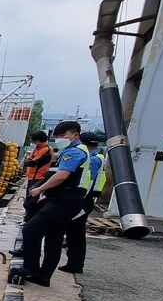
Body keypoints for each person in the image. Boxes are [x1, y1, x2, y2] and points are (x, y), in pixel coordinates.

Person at [19, 121, 87, 287]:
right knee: (53, 238)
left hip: (64, 201)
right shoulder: (81, 150)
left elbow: (62, 176)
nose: (59, 139)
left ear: (75, 135)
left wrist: (40, 189)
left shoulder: (74, 152)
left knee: (30, 230)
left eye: (63, 136)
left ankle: (30, 269)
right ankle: (43, 277)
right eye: (57, 136)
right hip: (69, 199)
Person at [60, 132, 107, 273]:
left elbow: (87, 182)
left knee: (75, 234)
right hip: (87, 200)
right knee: (75, 233)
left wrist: (77, 200)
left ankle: (75, 263)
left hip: (83, 199)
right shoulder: (99, 157)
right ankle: (74, 262)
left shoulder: (92, 160)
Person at [20, 131, 53, 223]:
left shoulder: (46, 150)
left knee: (31, 199)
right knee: (29, 197)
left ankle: (29, 219)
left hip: (39, 177)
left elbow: (33, 161)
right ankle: (27, 217)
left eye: (34, 142)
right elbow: (29, 158)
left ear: (38, 140)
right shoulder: (37, 149)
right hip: (32, 177)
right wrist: (27, 161)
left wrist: (26, 162)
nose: (34, 144)